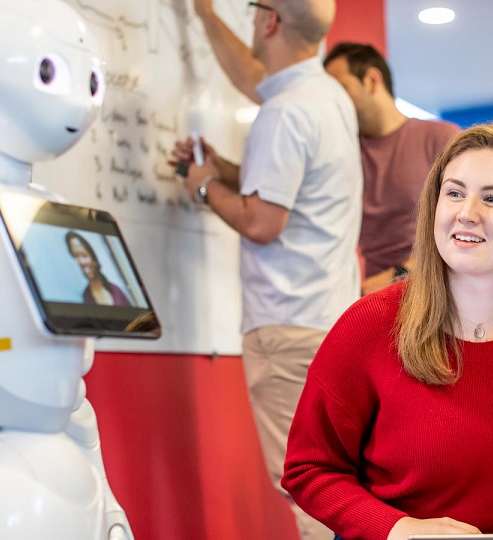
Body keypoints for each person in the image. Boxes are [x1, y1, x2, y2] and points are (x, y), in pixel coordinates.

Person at [281, 123, 493, 540]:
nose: (467, 213)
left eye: (492, 198)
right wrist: (399, 529)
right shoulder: (368, 325)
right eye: (454, 193)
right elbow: (309, 468)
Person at [169, 1, 362, 538]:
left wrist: (205, 187)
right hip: (327, 322)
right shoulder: (328, 98)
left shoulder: (286, 112)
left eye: (253, 9)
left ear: (268, 20)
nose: (251, 18)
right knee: (342, 486)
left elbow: (262, 221)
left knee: (311, 491)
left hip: (286, 329)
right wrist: (221, 169)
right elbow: (285, 190)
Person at [323, 42, 460, 295]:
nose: (334, 104)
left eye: (341, 90)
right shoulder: (342, 152)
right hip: (373, 302)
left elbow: (462, 234)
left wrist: (394, 277)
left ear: (372, 80)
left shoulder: (440, 138)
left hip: (435, 293)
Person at [65, 231, 132, 307]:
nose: (81, 262)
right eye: (75, 256)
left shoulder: (116, 290)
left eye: (84, 255)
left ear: (93, 257)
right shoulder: (86, 297)